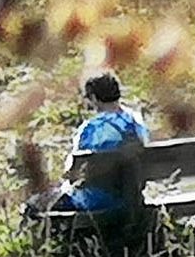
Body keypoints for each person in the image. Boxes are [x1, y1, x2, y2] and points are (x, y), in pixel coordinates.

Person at [41, 69, 150, 222]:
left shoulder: (91, 128)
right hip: (131, 198)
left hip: (93, 202)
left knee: (35, 205)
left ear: (94, 97)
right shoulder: (136, 121)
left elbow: (73, 174)